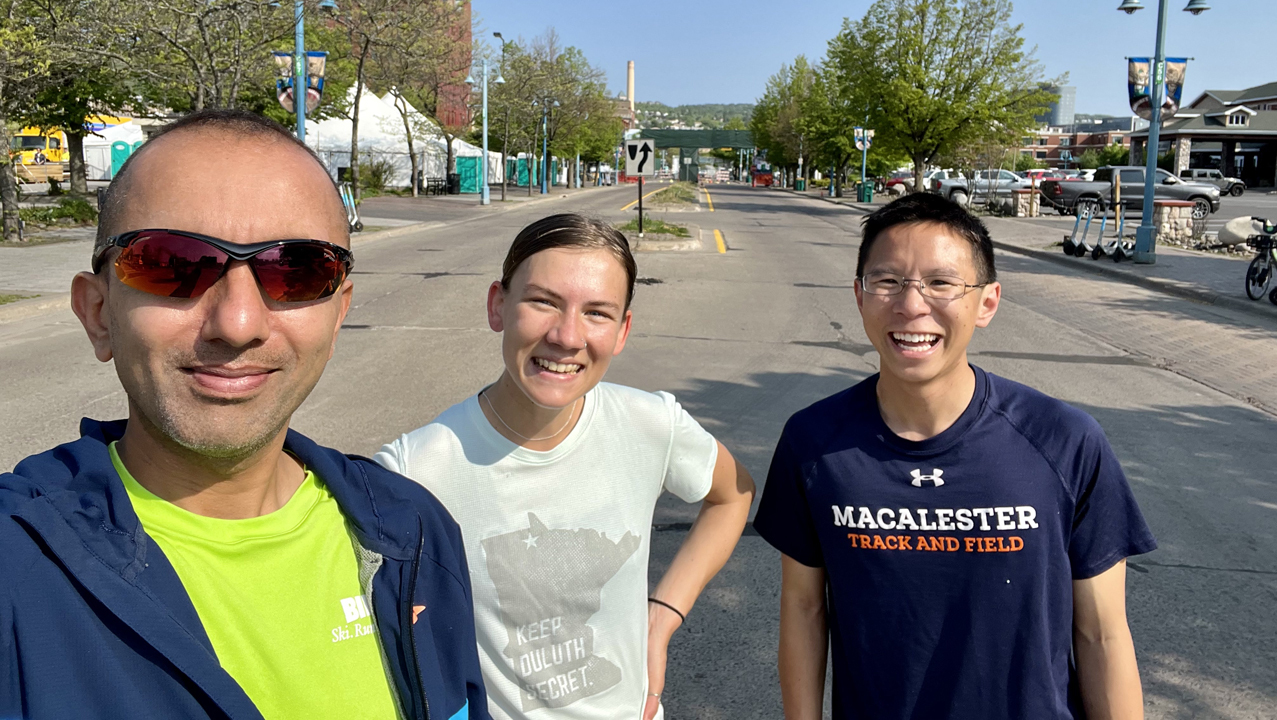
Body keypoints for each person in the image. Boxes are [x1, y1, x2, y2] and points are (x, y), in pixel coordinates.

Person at [0, 109, 487, 720]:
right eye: (172, 264)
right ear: (98, 313)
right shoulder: (17, 569)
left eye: (298, 271)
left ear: (338, 315)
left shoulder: (414, 531)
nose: (237, 324)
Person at [754, 193, 1156, 720]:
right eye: (887, 280)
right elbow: (804, 610)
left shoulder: (1063, 439)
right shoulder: (814, 443)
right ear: (859, 295)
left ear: (987, 303)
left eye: (941, 283)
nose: (911, 304)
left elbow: (1102, 632)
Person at [376, 213, 756, 720]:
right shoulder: (415, 469)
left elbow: (733, 494)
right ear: (497, 305)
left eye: (597, 312)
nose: (568, 336)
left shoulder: (650, 424)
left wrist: (662, 617)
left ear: (622, 331)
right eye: (543, 302)